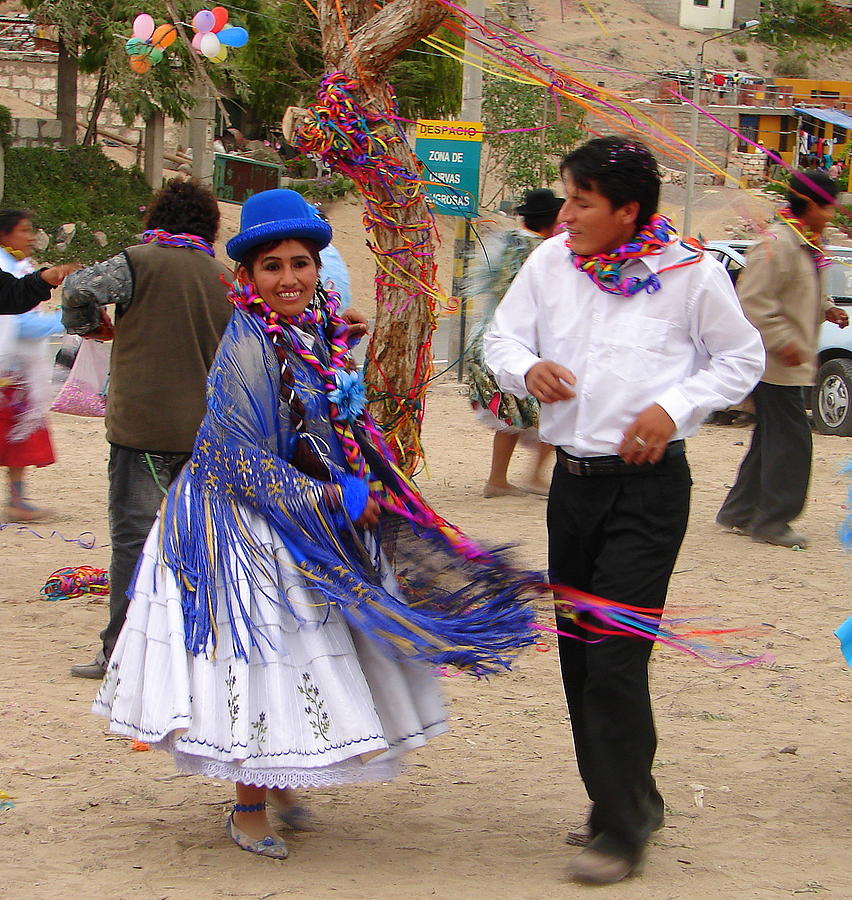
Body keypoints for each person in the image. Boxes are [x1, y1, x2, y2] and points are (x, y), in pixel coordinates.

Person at [92, 188, 535, 859]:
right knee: (261, 659)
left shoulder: (311, 331)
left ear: (318, 267)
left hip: (295, 514)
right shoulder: (247, 345)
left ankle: (281, 783)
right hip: (239, 524)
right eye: (272, 267)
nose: (289, 278)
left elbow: (326, 418)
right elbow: (237, 457)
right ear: (248, 277)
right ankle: (248, 810)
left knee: (303, 655)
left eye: (300, 263)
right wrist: (334, 501)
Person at [484, 136, 765, 885]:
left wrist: (674, 408)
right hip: (572, 489)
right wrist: (526, 367)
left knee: (614, 652)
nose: (567, 214)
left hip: (648, 492)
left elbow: (742, 359)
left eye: (582, 202)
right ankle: (627, 795)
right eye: (566, 198)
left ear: (628, 211)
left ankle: (622, 826)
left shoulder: (691, 275)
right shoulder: (550, 263)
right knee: (580, 654)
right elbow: (501, 337)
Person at [63, 179, 235, 679]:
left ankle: (119, 652)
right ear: (209, 226)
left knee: (133, 544)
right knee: (199, 543)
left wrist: (88, 325)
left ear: (156, 218)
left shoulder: (136, 263)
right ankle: (196, 648)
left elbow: (76, 288)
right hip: (203, 433)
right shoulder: (224, 279)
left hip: (139, 429)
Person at [717, 169, 849, 548]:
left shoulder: (805, 243)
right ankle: (773, 521)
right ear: (808, 205)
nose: (832, 214)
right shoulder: (776, 244)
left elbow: (795, 290)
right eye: (828, 206)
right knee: (792, 442)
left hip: (792, 362)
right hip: (776, 364)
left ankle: (739, 512)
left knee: (770, 439)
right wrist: (783, 340)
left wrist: (826, 308)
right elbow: (754, 302)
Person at [466, 188, 562, 497]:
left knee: (509, 414)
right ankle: (531, 476)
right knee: (549, 407)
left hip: (489, 337)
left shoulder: (508, 244)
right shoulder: (545, 253)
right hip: (522, 341)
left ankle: (499, 479)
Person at [0, 209, 65, 522]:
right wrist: (66, 319)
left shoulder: (16, 265)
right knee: (13, 438)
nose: (30, 237)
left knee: (15, 441)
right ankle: (17, 501)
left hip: (14, 371)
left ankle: (17, 500)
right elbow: (22, 324)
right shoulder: (4, 267)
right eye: (23, 230)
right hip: (7, 370)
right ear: (5, 234)